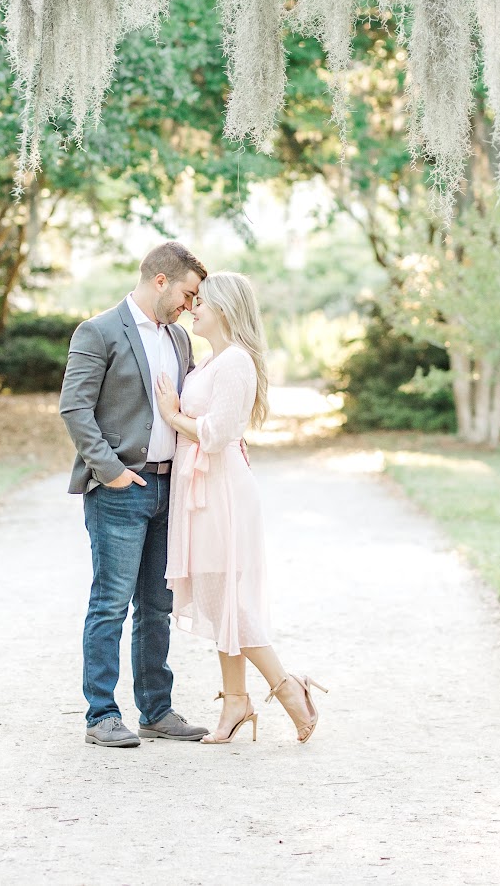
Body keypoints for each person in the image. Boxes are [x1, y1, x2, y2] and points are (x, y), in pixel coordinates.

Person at [154, 270, 326, 744]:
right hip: (199, 488)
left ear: (226, 309)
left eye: (202, 300)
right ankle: (235, 702)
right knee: (217, 597)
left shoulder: (236, 363)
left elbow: (219, 432)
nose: (193, 306)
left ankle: (289, 688)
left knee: (231, 598)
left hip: (224, 490)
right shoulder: (209, 363)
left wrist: (173, 416)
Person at [60, 241, 212, 748]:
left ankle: (157, 709)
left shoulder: (180, 341)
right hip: (121, 489)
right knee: (111, 602)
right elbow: (75, 410)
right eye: (188, 294)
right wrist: (111, 471)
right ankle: (101, 714)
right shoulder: (99, 331)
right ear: (161, 280)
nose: (191, 307)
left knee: (157, 605)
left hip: (174, 487)